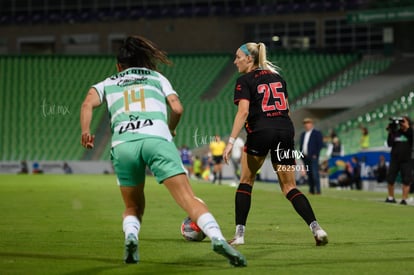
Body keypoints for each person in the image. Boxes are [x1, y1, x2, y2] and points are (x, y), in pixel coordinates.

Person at [79, 35, 246, 267]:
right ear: (144, 62)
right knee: (188, 199)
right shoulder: (157, 77)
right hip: (157, 138)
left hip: (124, 143)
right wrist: (170, 129)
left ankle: (131, 238)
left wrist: (86, 131)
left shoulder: (108, 82)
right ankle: (217, 238)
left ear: (119, 66)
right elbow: (177, 108)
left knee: (133, 207)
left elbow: (87, 103)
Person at [222, 42, 328, 247]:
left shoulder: (244, 80)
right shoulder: (278, 78)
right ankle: (317, 229)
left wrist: (231, 141)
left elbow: (243, 112)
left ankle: (240, 235)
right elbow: (286, 111)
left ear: (249, 59)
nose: (235, 61)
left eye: (238, 57)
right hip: (285, 131)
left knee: (246, 181)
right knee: (290, 187)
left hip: (261, 131)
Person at [385, 116, 413, 205]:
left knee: (406, 179)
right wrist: (390, 132)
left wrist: (407, 128)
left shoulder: (411, 133)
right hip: (395, 159)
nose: (401, 123)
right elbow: (389, 144)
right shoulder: (396, 133)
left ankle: (404, 199)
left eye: (403, 121)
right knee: (390, 178)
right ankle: (390, 197)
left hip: (407, 160)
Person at [300, 118, 324, 194]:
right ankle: (311, 190)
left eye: (308, 123)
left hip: (313, 157)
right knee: (309, 174)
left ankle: (318, 190)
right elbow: (302, 145)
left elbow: (320, 145)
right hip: (305, 157)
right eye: (305, 123)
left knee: (315, 173)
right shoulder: (303, 134)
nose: (306, 125)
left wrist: (315, 154)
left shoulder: (317, 133)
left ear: (312, 124)